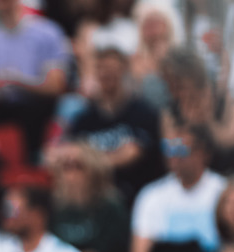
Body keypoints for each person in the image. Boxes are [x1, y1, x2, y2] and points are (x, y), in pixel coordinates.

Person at [0, 0, 72, 161]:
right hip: (3, 107)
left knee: (40, 108)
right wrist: (4, 81)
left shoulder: (47, 32)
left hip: (40, 107)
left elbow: (55, 86)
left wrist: (18, 81)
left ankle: (36, 160)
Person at [131, 123, 226, 252]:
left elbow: (223, 251)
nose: (174, 156)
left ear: (203, 153)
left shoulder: (222, 191)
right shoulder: (152, 195)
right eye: (169, 148)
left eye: (181, 149)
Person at [67, 45, 165, 206]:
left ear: (124, 71)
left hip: (135, 195)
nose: (106, 73)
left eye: (113, 68)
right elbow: (73, 154)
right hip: (93, 197)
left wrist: (89, 160)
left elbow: (131, 155)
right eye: (101, 68)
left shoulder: (143, 113)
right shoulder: (83, 119)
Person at [47, 141, 133, 252]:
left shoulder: (111, 207)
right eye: (65, 167)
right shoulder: (55, 208)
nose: (70, 175)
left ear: (94, 170)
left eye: (78, 166)